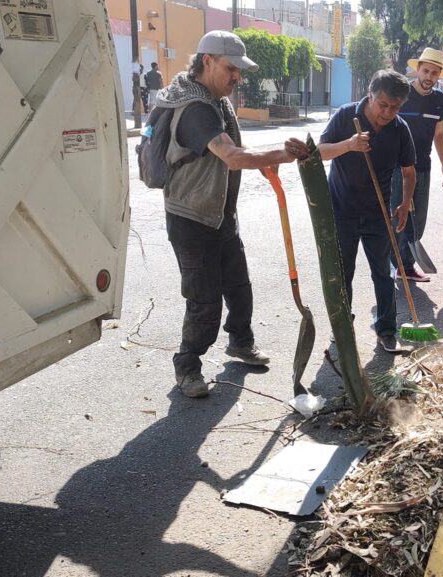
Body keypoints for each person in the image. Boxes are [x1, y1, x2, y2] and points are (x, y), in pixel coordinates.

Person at [152, 30, 310, 398]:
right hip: (191, 217)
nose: (238, 77)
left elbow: (238, 151)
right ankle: (187, 364)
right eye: (231, 68)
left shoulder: (215, 99)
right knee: (204, 298)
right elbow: (233, 156)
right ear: (207, 61)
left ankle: (240, 341)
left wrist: (267, 159)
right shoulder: (195, 108)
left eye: (240, 70)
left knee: (238, 286)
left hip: (219, 212)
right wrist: (281, 156)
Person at [318, 70, 416, 354]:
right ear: (370, 95)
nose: (387, 112)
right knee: (343, 272)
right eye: (383, 104)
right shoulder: (347, 116)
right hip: (341, 211)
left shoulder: (400, 129)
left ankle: (386, 328)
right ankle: (343, 328)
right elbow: (319, 152)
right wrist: (349, 145)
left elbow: (409, 173)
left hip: (378, 213)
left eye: (395, 107)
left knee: (383, 273)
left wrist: (404, 204)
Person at [389, 47, 443, 283]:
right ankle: (402, 266)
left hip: (423, 168)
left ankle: (401, 263)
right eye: (425, 71)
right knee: (399, 215)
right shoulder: (402, 94)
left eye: (434, 73)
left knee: (418, 220)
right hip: (397, 168)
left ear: (439, 75)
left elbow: (439, 134)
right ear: (418, 69)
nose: (429, 77)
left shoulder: (439, 100)